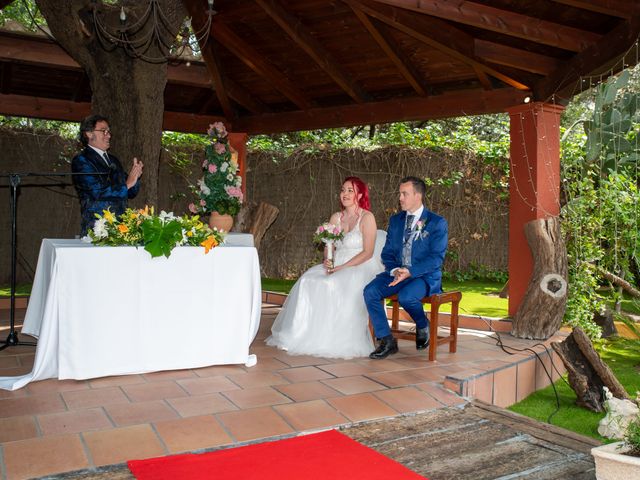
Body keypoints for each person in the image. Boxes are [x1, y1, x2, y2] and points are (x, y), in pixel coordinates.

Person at [266, 177, 385, 359]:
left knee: (336, 283)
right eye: (343, 190)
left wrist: (342, 267)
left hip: (361, 265)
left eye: (350, 191)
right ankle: (304, 333)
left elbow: (368, 253)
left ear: (359, 195)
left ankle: (333, 337)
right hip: (338, 263)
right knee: (308, 280)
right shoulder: (336, 218)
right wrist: (328, 261)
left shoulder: (367, 218)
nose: (344, 194)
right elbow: (330, 246)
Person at [364, 176, 448, 359]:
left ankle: (422, 323)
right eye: (400, 193)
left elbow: (436, 258)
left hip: (423, 276)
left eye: (404, 194)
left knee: (407, 297)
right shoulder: (396, 221)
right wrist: (395, 270)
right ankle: (387, 340)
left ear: (418, 196)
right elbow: (387, 253)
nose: (400, 198)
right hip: (397, 273)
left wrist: (410, 271)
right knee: (370, 291)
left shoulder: (436, 223)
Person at [72, 115, 144, 235]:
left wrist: (135, 177)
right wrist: (127, 184)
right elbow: (97, 192)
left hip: (121, 227)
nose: (109, 135)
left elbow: (130, 192)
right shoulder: (82, 160)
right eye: (104, 131)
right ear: (89, 133)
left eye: (109, 132)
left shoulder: (113, 160)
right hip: (97, 228)